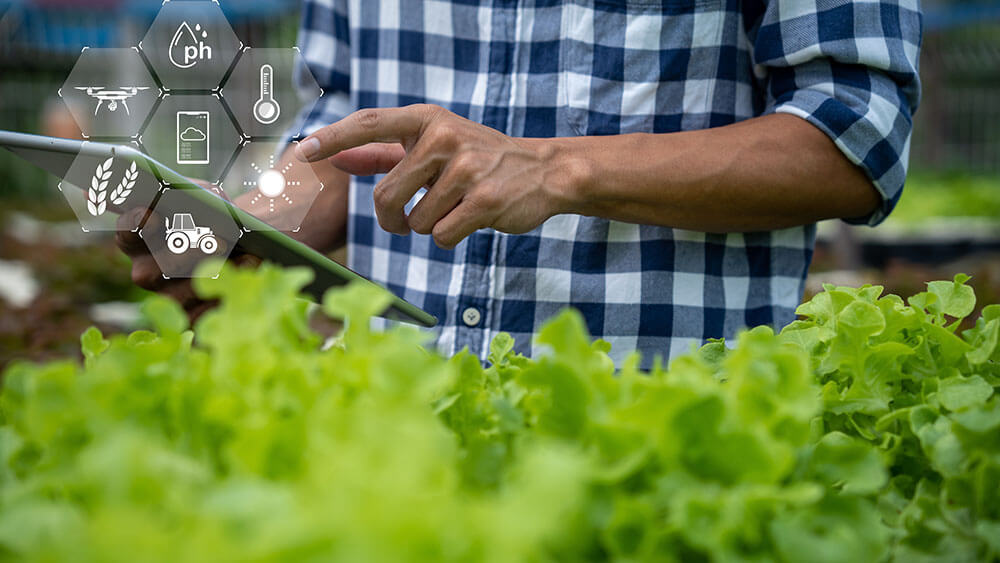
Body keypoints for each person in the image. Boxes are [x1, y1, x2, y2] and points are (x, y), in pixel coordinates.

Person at [120, 0, 921, 368]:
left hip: (651, 430)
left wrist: (557, 168)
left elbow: (856, 139)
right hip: (391, 425)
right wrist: (248, 228)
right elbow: (340, 139)